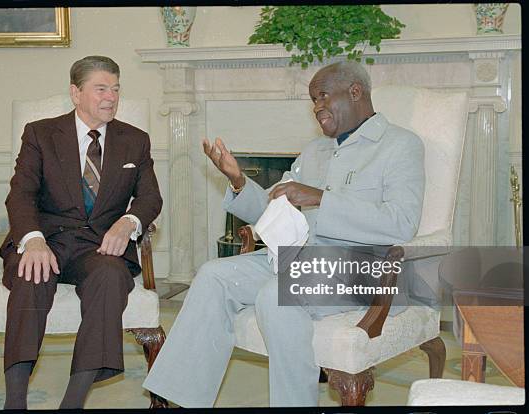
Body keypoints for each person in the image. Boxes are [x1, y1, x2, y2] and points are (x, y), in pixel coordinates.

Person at [142, 60, 425, 407]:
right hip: (296, 258)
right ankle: (179, 399)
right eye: (313, 101)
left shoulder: (400, 145)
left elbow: (402, 222)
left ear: (355, 92)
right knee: (214, 275)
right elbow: (273, 209)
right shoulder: (316, 150)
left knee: (274, 298)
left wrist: (320, 198)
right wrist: (239, 181)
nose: (317, 107)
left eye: (322, 96)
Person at [0, 55, 162, 409]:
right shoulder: (40, 133)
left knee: (110, 277)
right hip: (49, 239)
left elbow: (150, 198)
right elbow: (21, 194)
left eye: (116, 89)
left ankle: (73, 400)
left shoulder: (135, 140)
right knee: (30, 274)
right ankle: (15, 400)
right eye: (101, 89)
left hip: (99, 247)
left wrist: (129, 222)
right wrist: (33, 240)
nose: (111, 97)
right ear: (75, 93)